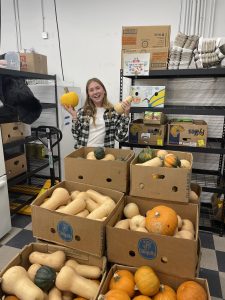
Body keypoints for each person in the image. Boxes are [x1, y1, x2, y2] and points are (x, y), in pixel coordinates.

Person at [64, 78, 131, 149]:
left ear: (104, 91)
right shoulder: (82, 112)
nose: (95, 92)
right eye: (91, 90)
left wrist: (126, 114)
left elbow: (119, 137)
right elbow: (76, 136)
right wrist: (74, 116)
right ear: (89, 95)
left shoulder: (112, 112)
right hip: (84, 155)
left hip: (104, 155)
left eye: (98, 88)